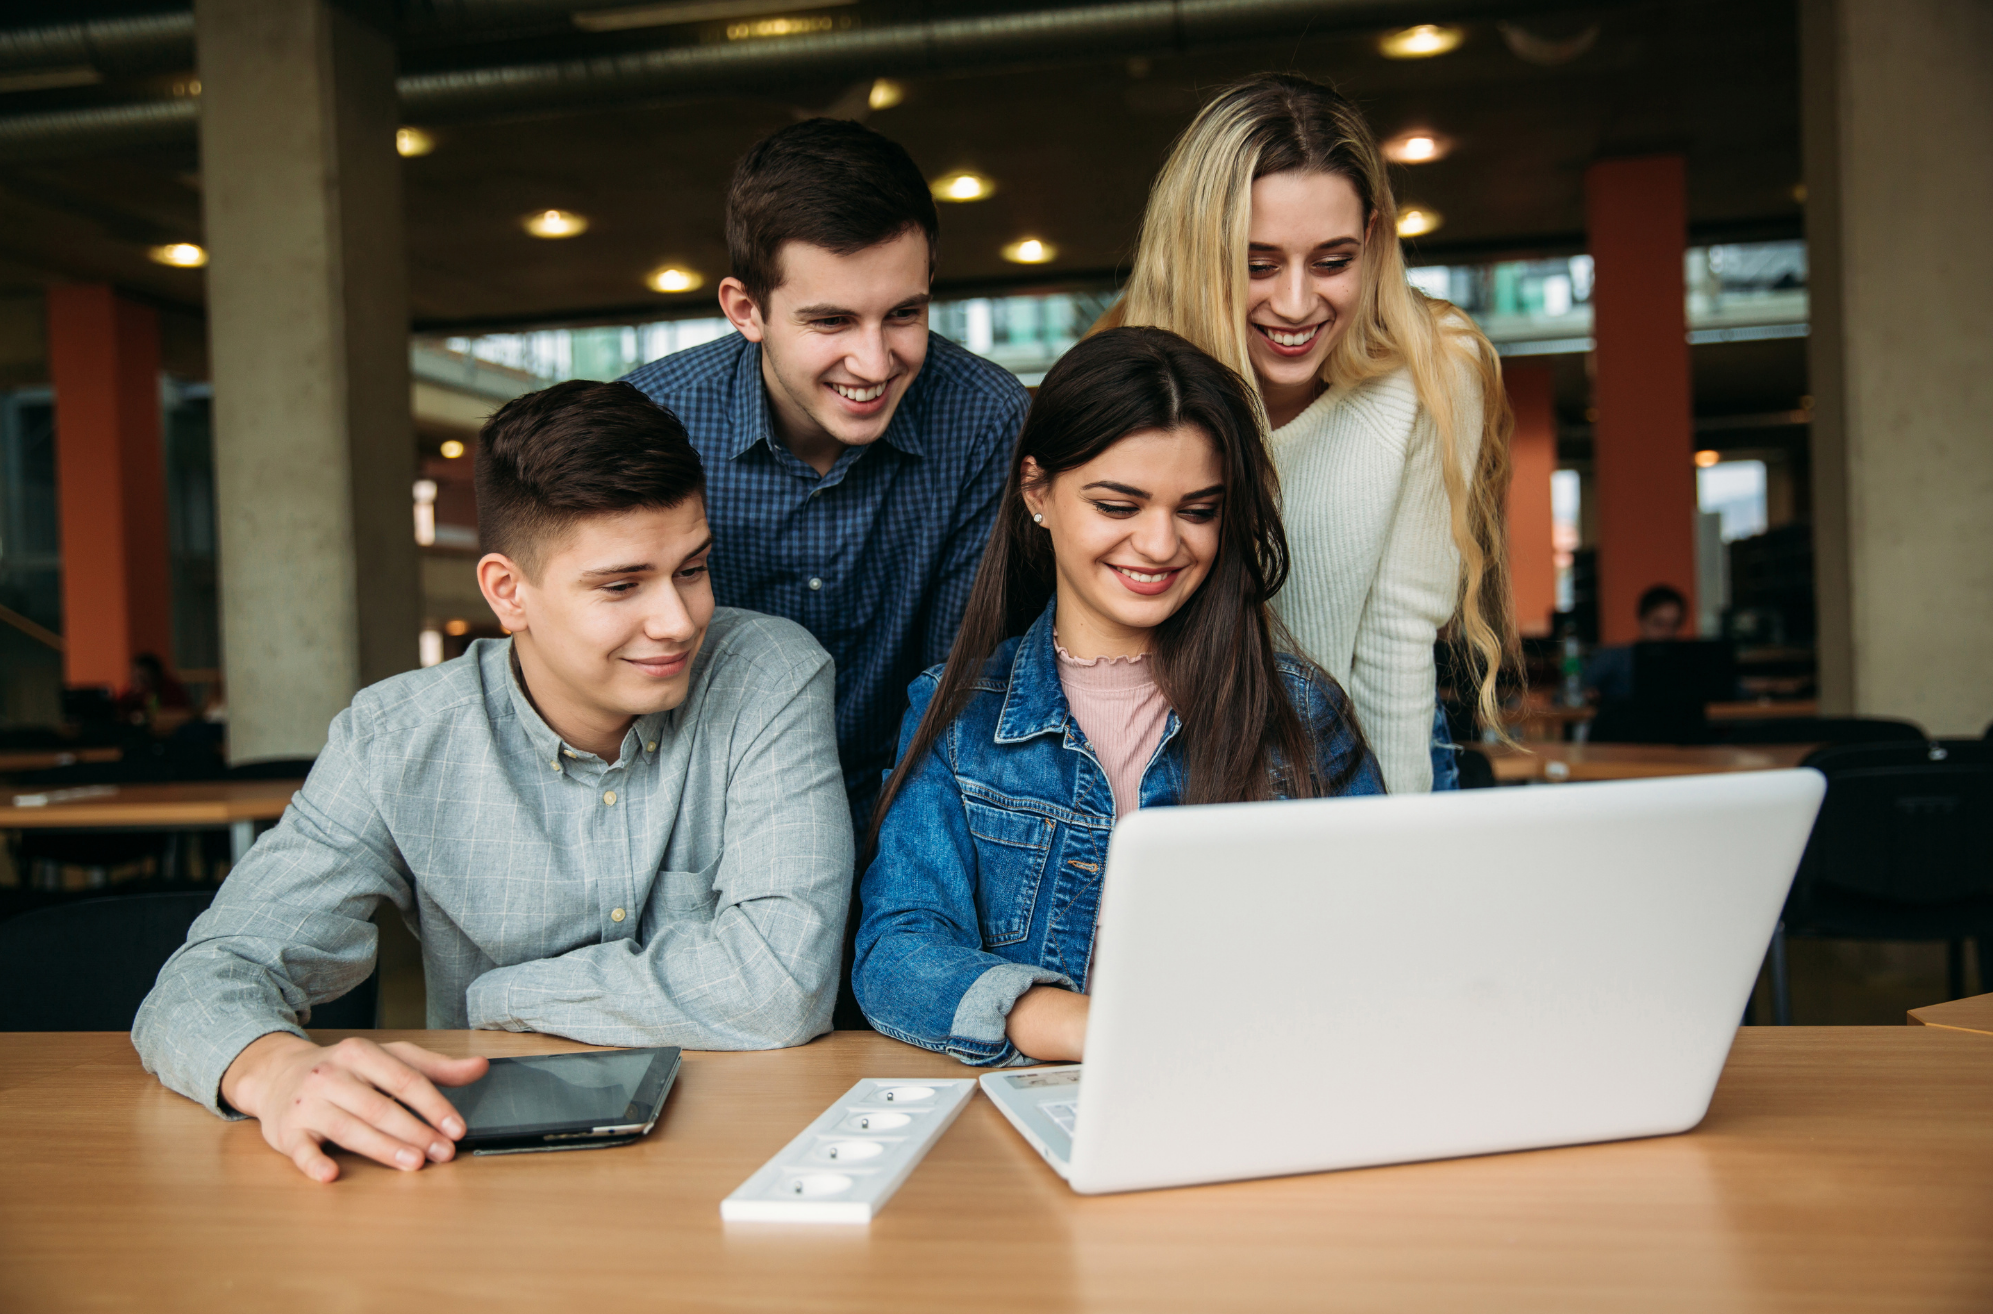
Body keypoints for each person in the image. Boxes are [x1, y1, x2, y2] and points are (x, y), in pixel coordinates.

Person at [133, 381, 852, 1183]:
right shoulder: (396, 738)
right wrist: (272, 1070)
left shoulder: (767, 674)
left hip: (739, 1145)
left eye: (693, 568)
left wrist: (502, 994)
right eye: (621, 586)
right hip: (482, 1171)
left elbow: (780, 985)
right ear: (508, 592)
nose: (679, 620)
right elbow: (206, 979)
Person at [852, 327, 1383, 1067]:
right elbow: (896, 953)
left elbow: (1378, 944)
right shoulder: (956, 712)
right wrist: (1083, 1027)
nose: (1161, 544)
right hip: (1045, 1103)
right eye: (1118, 505)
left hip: (1260, 1090)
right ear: (1037, 491)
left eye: (1197, 510)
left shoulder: (1301, 714)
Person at [1103, 73, 1517, 794]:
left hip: (1369, 765)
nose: (1295, 305)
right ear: (1198, 251)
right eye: (1256, 264)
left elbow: (1396, 648)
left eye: (1332, 262)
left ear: (1372, 239)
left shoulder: (1432, 365)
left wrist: (1389, 856)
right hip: (1180, 768)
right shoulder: (1139, 375)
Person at [623, 118, 1031, 835]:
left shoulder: (985, 418)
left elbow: (958, 688)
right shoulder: (649, 421)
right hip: (696, 824)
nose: (874, 363)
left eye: (903, 314)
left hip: (908, 815)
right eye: (832, 322)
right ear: (745, 310)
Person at [1584, 584, 1689, 702]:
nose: (1667, 632)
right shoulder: (1616, 658)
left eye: (1674, 624)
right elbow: (1577, 691)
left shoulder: (1688, 662)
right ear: (1642, 621)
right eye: (1659, 623)